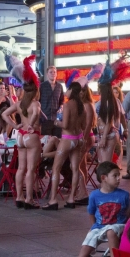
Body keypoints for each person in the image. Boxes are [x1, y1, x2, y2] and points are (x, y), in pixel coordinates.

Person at [42, 81, 86, 210]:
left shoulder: (68, 105)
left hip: (67, 139)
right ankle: (72, 198)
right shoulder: (82, 106)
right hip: (78, 139)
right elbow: (83, 126)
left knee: (56, 168)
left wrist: (56, 122)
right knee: (75, 168)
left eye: (67, 89)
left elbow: (65, 125)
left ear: (72, 90)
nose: (65, 92)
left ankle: (53, 200)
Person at [1, 81, 42, 209]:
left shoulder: (19, 104)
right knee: (30, 169)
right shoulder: (35, 103)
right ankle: (29, 199)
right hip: (32, 134)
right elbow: (35, 113)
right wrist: (31, 124)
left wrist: (14, 126)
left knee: (21, 168)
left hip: (20, 135)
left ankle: (19, 197)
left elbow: (4, 114)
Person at [79, 161, 130, 257]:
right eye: (115, 176)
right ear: (103, 178)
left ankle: (114, 255)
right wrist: (93, 227)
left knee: (110, 231)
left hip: (119, 226)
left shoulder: (124, 195)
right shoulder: (94, 195)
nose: (119, 178)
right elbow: (91, 212)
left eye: (119, 175)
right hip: (100, 227)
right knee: (84, 250)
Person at [39, 66, 65, 138]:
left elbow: (62, 100)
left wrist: (61, 107)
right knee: (46, 140)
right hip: (45, 118)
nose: (53, 74)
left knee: (57, 139)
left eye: (54, 72)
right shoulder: (42, 86)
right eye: (51, 72)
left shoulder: (60, 86)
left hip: (57, 119)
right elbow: (38, 101)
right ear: (47, 74)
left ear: (56, 74)